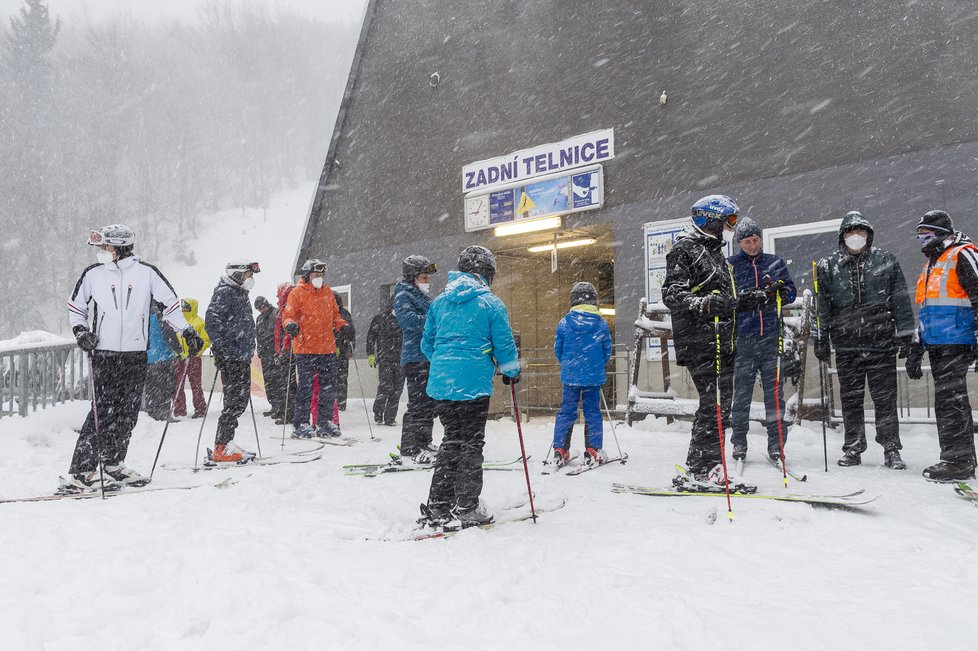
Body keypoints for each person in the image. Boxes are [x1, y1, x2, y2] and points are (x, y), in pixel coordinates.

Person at [65, 224, 202, 491]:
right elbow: (76, 306)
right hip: (104, 354)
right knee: (102, 411)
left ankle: (113, 463)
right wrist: (81, 331)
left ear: (120, 247)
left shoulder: (147, 274)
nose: (102, 252)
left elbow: (171, 304)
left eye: (106, 247)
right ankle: (82, 470)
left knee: (128, 412)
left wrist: (187, 331)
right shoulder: (93, 275)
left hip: (135, 354)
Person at [419, 246, 520, 526]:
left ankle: (439, 504)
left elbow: (427, 344)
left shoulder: (439, 303)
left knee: (451, 440)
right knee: (472, 443)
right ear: (487, 274)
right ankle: (467, 506)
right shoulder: (490, 304)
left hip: (442, 385)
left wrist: (445, 364)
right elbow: (504, 344)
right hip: (473, 385)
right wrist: (509, 370)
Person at [663, 195, 755, 487]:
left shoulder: (715, 253)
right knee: (714, 402)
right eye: (727, 221)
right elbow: (673, 294)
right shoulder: (685, 250)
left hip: (722, 340)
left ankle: (702, 465)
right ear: (710, 221)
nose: (731, 227)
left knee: (720, 403)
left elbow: (724, 300)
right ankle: (705, 467)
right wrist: (702, 304)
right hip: (699, 339)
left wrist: (749, 299)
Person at [814, 211, 915, 469]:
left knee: (885, 399)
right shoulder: (828, 266)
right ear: (842, 236)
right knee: (851, 398)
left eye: (861, 232)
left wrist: (905, 334)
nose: (855, 237)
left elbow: (901, 300)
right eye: (850, 232)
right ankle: (853, 447)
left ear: (869, 235)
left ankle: (891, 448)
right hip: (846, 343)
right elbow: (822, 305)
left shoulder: (886, 260)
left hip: (881, 342)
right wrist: (821, 337)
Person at [906, 211, 978, 481]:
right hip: (937, 343)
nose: (922, 241)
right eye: (919, 236)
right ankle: (963, 457)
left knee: (950, 401)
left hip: (957, 341)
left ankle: (957, 461)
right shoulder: (931, 266)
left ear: (943, 234)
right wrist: (917, 346)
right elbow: (927, 310)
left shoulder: (963, 254)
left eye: (927, 235)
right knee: (949, 400)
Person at [728, 217, 797, 463]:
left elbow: (791, 291)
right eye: (747, 241)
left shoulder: (774, 262)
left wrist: (780, 291)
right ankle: (739, 443)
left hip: (770, 336)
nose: (752, 245)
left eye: (755, 240)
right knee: (742, 393)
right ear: (740, 243)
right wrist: (745, 299)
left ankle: (776, 443)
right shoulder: (732, 265)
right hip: (744, 338)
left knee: (773, 394)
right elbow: (727, 297)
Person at [282, 259, 347, 438]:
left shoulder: (327, 292)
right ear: (307, 275)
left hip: (327, 348)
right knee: (306, 388)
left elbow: (335, 315)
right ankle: (301, 423)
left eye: (321, 275)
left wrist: (342, 326)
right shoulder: (297, 293)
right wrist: (290, 325)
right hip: (306, 349)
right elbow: (288, 316)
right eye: (315, 274)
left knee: (328, 388)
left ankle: (324, 422)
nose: (319, 278)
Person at [205, 260, 261, 463]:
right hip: (232, 356)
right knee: (235, 402)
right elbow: (212, 321)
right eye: (248, 275)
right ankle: (222, 446)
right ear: (237, 275)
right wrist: (221, 349)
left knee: (239, 401)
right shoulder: (225, 293)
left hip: (241, 355)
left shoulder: (239, 293)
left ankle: (226, 443)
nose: (251, 279)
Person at [552, 281, 613, 466]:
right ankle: (593, 449)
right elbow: (607, 350)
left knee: (567, 412)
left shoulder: (564, 323)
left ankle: (560, 449)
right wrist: (597, 365)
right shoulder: (601, 324)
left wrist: (569, 365)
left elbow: (558, 349)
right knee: (592, 412)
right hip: (593, 377)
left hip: (571, 376)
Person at [393, 254, 440, 463]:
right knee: (417, 405)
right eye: (424, 278)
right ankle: (410, 447)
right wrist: (432, 320)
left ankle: (424, 441)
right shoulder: (403, 295)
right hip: (414, 358)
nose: (427, 282)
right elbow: (408, 321)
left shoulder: (423, 297)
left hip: (428, 357)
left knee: (429, 404)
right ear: (412, 277)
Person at [366, 297, 405, 426]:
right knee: (385, 386)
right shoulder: (381, 318)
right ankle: (378, 412)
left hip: (402, 358)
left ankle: (390, 417)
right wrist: (370, 353)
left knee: (397, 389)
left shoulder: (405, 319)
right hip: (385, 358)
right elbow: (371, 336)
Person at [142, 302, 181, 421]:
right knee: (165, 386)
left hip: (149, 357)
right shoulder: (161, 317)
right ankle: (163, 413)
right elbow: (169, 334)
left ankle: (151, 411)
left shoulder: (143, 317)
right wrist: (178, 348)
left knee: (151, 387)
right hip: (163, 357)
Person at [174, 298, 210, 418]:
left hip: (193, 358)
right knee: (178, 384)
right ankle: (179, 409)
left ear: (192, 307)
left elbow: (206, 340)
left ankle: (200, 409)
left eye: (186, 306)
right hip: (179, 358)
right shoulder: (178, 322)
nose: (184, 309)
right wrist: (176, 350)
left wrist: (197, 351)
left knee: (195, 384)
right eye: (183, 306)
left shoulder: (199, 322)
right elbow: (173, 338)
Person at [254, 295, 284, 420]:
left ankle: (280, 407)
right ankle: (273, 405)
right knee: (269, 382)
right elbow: (258, 336)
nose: (262, 310)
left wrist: (281, 351)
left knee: (278, 381)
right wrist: (260, 350)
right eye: (259, 309)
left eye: (262, 307)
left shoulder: (277, 314)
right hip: (265, 355)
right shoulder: (259, 319)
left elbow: (281, 334)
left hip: (276, 353)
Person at [272, 282, 296, 425]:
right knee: (284, 383)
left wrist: (284, 351)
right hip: (282, 350)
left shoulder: (288, 308)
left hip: (288, 352)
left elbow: (286, 333)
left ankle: (289, 413)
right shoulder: (283, 308)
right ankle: (285, 410)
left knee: (288, 384)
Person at [333, 291, 355, 411]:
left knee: (342, 377)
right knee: (332, 378)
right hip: (330, 350)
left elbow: (351, 332)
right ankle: (334, 402)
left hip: (343, 349)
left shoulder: (345, 314)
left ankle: (341, 403)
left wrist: (350, 348)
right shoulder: (327, 312)